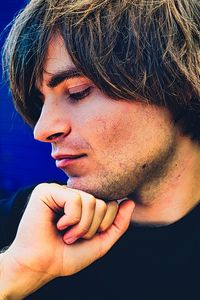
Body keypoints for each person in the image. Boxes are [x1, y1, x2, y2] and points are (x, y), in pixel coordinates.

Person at [0, 0, 200, 299]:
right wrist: (17, 270)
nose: (42, 130)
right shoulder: (20, 229)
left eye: (78, 92)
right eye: (40, 102)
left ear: (180, 83)